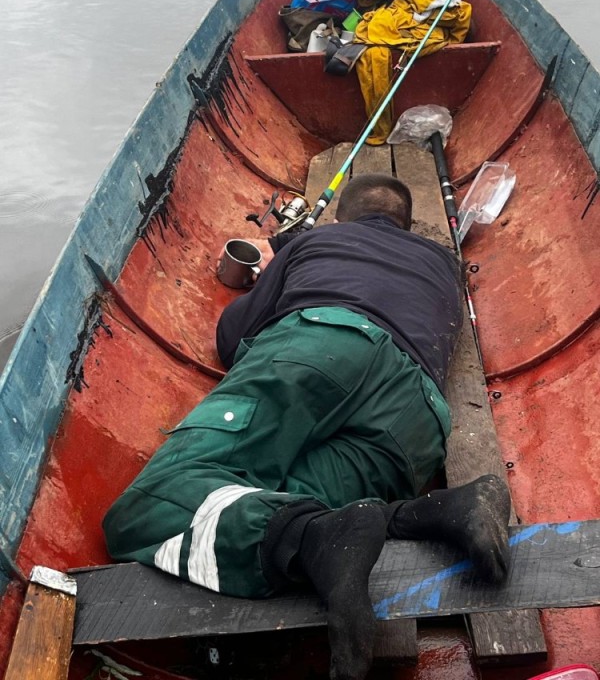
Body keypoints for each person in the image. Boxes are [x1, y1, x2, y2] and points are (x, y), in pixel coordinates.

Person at [103, 173, 510, 680]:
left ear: (343, 216)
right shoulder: (442, 265)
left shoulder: (316, 239)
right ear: (408, 225)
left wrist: (277, 272)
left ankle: (311, 541)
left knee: (147, 507)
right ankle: (434, 512)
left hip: (320, 346)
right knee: (300, 509)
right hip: (415, 413)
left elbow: (233, 336)